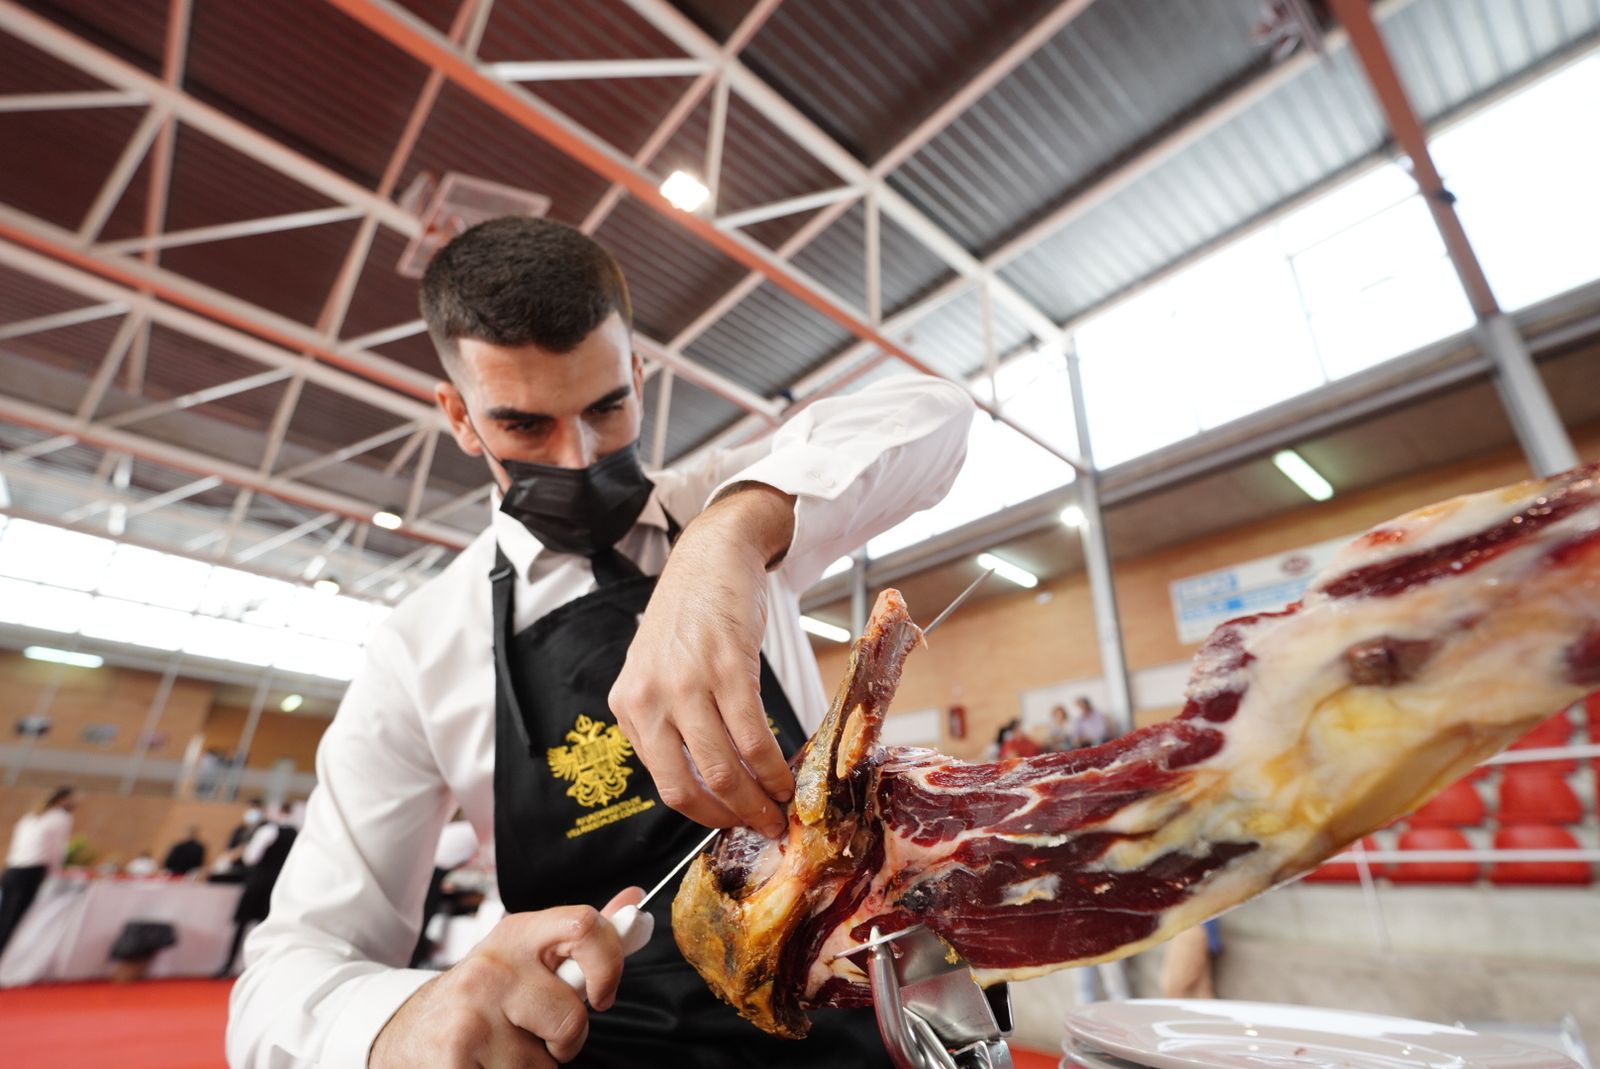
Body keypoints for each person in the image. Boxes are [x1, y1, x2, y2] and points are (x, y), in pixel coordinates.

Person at [227, 217, 972, 1069]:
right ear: (459, 417)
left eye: (606, 408)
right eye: (522, 426)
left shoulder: (728, 505)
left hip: (850, 1025)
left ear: (639, 377)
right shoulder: (421, 644)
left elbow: (936, 414)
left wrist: (729, 533)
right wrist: (402, 1019)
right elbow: (288, 968)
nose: (578, 456)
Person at [217, 803, 302, 978]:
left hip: (258, 881)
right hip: (278, 885)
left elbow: (251, 857)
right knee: (265, 926)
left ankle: (229, 964)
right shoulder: (297, 834)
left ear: (278, 812)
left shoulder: (268, 830)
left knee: (243, 924)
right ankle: (257, 967)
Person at [0, 785, 75, 958]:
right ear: (63, 800)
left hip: (12, 868)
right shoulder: (60, 817)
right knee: (13, 920)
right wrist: (56, 871)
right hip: (30, 871)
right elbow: (57, 849)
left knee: (4, 916)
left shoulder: (31, 817)